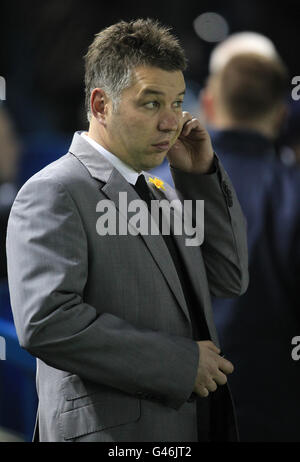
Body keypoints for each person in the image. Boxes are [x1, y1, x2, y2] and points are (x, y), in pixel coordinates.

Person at [6, 19, 248, 442]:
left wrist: (200, 178)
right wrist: (179, 363)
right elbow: (46, 322)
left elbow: (230, 277)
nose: (171, 122)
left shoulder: (163, 193)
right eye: (152, 104)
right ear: (100, 105)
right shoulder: (53, 190)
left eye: (177, 103)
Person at [201, 50, 300, 441]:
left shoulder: (147, 191)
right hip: (275, 417)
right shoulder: (292, 193)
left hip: (170, 419)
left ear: (208, 104)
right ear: (280, 115)